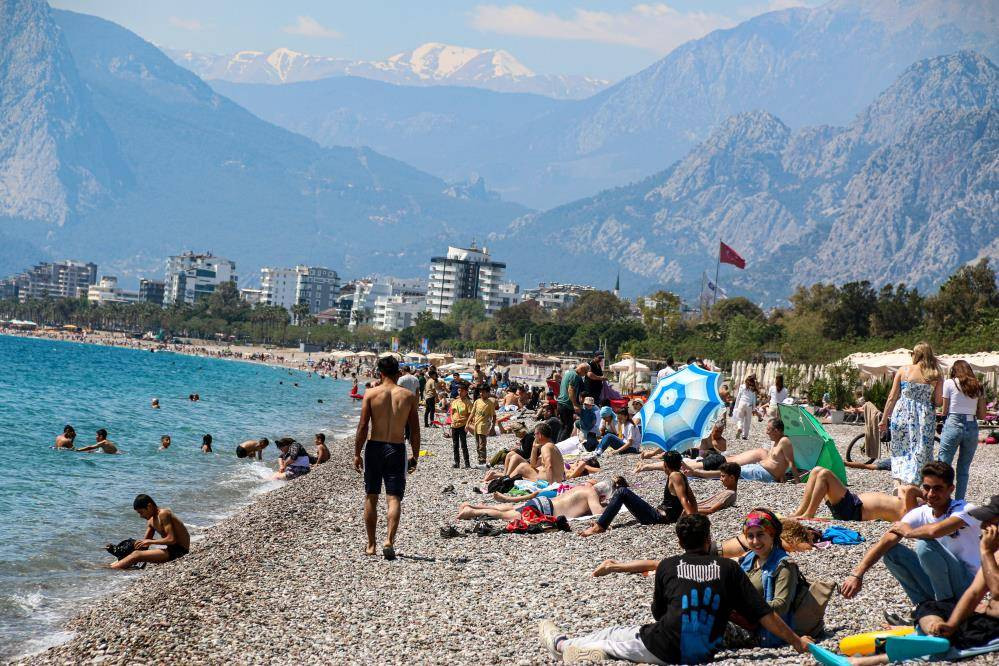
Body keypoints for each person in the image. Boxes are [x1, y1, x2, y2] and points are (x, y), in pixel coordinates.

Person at [541, 514, 811, 664]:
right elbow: (764, 612)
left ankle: (562, 644)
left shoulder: (669, 565)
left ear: (680, 542)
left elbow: (658, 613)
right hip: (705, 648)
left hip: (666, 648)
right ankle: (583, 647)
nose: (753, 541)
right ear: (708, 539)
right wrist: (796, 642)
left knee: (615, 637)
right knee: (622, 635)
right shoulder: (730, 568)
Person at [829, 501, 999, 666]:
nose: (983, 526)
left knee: (957, 639)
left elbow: (997, 590)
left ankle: (863, 661)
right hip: (980, 611)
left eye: (990, 522)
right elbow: (975, 593)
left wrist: (985, 552)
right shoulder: (993, 553)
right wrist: (951, 624)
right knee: (929, 607)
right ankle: (935, 629)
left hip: (993, 624)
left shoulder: (983, 542)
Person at [840, 462, 981, 608]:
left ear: (951, 489)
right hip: (939, 582)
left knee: (925, 544)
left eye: (937, 489)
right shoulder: (921, 512)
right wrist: (857, 574)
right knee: (891, 551)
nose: (931, 494)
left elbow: (935, 531)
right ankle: (925, 606)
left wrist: (909, 532)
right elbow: (886, 541)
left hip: (968, 586)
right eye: (926, 488)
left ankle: (945, 607)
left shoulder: (965, 509)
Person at [354, 354, 420, 559]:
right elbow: (415, 431)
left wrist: (357, 453)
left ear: (380, 373)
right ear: (398, 372)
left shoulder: (371, 394)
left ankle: (371, 545)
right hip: (397, 448)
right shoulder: (408, 396)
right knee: (394, 498)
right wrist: (415, 456)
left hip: (374, 448)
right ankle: (389, 540)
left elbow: (363, 426)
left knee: (371, 496)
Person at [879, 342, 942, 512]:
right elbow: (938, 401)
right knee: (921, 451)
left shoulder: (904, 370)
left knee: (900, 450)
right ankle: (912, 487)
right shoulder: (936, 374)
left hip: (902, 415)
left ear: (916, 354)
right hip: (924, 418)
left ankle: (899, 485)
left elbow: (892, 397)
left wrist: (884, 419)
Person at [580, 451, 698, 536]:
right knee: (623, 492)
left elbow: (684, 500)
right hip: (660, 514)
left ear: (665, 465)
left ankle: (600, 526)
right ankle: (602, 522)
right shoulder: (681, 475)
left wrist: (692, 522)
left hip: (659, 518)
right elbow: (691, 499)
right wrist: (695, 515)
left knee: (622, 491)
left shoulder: (674, 476)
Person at [730, 509, 801, 647]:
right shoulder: (748, 559)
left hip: (762, 632)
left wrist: (744, 607)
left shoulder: (784, 565)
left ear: (772, 535)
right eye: (750, 536)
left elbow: (782, 605)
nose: (755, 541)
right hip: (742, 621)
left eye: (761, 535)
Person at [685, 418, 801, 483]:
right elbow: (780, 463)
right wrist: (782, 477)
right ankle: (696, 473)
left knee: (731, 473)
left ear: (776, 430)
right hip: (759, 469)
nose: (766, 432)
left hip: (763, 473)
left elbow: (790, 463)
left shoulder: (785, 441)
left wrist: (797, 481)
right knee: (731, 470)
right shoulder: (776, 441)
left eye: (768, 429)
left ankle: (697, 473)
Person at [937, 359, 986, 501]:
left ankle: (942, 500)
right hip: (972, 426)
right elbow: (982, 415)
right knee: (963, 469)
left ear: (955, 370)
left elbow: (944, 410)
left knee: (943, 465)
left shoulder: (949, 383)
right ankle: (959, 503)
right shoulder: (978, 386)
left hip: (953, 423)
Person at [788, 466, 905, 521]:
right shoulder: (909, 503)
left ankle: (809, 514)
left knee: (824, 474)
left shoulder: (907, 511)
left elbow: (909, 490)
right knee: (816, 470)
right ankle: (801, 511)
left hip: (854, 511)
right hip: (853, 504)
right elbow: (906, 490)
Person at [457, 481, 609, 522]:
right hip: (545, 510)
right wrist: (608, 507)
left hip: (543, 502)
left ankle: (472, 506)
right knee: (506, 516)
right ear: (601, 496)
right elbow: (598, 513)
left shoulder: (583, 487)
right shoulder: (591, 493)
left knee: (510, 510)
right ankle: (472, 512)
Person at [110, 494, 190, 570]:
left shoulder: (163, 514)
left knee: (136, 555)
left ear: (149, 506)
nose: (141, 516)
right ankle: (111, 567)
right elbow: (144, 546)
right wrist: (125, 548)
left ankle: (111, 569)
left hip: (180, 551)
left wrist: (150, 542)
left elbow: (171, 539)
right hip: (170, 550)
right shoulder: (151, 521)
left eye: (141, 512)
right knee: (134, 554)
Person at [491, 423, 565, 483]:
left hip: (550, 481)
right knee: (520, 464)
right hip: (554, 479)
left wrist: (551, 485)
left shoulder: (546, 447)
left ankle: (504, 481)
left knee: (522, 467)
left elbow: (549, 466)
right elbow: (533, 465)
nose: (534, 436)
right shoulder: (551, 446)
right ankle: (505, 479)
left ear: (539, 435)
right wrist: (534, 447)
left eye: (535, 434)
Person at [467, 385, 496, 466]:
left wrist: (492, 427)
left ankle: (482, 461)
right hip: (476, 426)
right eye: (480, 392)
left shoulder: (490, 403)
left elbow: (494, 415)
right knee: (477, 444)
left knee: (482, 445)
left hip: (484, 427)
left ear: (488, 393)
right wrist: (467, 423)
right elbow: (472, 413)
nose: (481, 393)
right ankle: (479, 459)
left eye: (483, 392)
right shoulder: (477, 401)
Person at [556, 363, 587, 442]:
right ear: (582, 369)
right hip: (566, 404)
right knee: (568, 427)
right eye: (585, 372)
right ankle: (560, 448)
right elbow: (571, 390)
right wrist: (575, 404)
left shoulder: (569, 373)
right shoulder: (575, 376)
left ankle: (557, 445)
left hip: (561, 403)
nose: (585, 374)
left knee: (563, 426)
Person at [449, 382, 473, 468]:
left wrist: (467, 425)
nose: (460, 392)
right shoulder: (454, 401)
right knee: (455, 445)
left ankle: (467, 463)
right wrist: (452, 421)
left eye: (462, 391)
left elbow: (471, 415)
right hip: (454, 425)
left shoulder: (468, 402)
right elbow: (452, 412)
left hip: (463, 425)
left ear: (466, 392)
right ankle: (457, 462)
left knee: (464, 445)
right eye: (459, 390)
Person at [733, 375, 760, 439]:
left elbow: (738, 397)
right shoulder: (753, 388)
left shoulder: (742, 386)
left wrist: (736, 406)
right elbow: (754, 399)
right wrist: (754, 408)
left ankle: (739, 427)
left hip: (741, 403)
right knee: (747, 421)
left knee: (740, 418)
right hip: (749, 405)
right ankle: (745, 435)